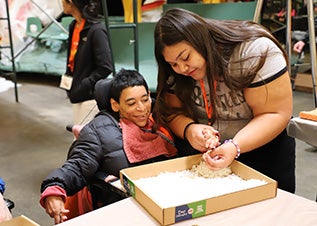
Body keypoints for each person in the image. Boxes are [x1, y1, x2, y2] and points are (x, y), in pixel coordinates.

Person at [152, 8, 296, 193]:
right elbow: (172, 112)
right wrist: (189, 129)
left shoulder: (254, 51)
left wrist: (235, 146)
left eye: (185, 57)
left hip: (264, 150)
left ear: (200, 40)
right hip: (209, 156)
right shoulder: (175, 69)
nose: (182, 68)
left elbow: (274, 113)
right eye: (173, 64)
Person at [40, 69, 178, 224]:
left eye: (145, 99)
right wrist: (55, 188)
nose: (142, 108)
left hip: (166, 203)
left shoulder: (162, 123)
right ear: (115, 105)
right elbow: (77, 166)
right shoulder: (98, 132)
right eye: (131, 103)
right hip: (125, 212)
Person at [60, 0, 113, 124]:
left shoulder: (96, 30)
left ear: (71, 2)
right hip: (76, 92)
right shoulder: (74, 26)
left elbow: (105, 66)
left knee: (83, 138)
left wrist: (85, 84)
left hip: (89, 98)